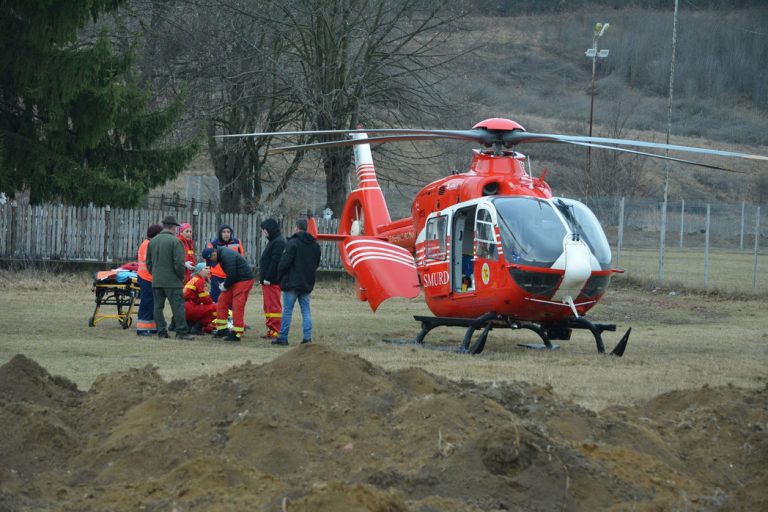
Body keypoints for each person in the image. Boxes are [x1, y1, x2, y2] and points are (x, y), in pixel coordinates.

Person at [273, 218, 321, 346]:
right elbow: (316, 264)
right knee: (306, 311)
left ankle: (283, 337)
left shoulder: (293, 243)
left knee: (288, 310)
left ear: (296, 228)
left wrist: (280, 276)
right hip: (306, 283)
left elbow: (284, 263)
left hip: (291, 283)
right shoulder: (315, 245)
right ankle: (307, 338)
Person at [146, 215, 194, 340]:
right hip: (173, 281)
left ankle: (161, 332)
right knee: (178, 307)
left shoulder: (153, 241)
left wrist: (155, 274)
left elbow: (148, 263)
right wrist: (180, 276)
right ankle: (181, 332)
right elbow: (179, 263)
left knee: (158, 307)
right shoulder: (175, 241)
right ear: (173, 227)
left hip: (157, 280)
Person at [201, 245, 254, 342]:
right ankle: (222, 329)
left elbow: (232, 274)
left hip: (244, 280)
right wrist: (225, 284)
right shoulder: (221, 255)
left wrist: (225, 285)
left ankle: (237, 333)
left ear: (213, 254)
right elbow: (231, 274)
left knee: (237, 305)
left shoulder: (227, 256)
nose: (213, 262)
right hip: (234, 280)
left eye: (212, 260)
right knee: (222, 301)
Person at [259, 218, 286, 340]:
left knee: (273, 306)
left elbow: (275, 261)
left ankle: (276, 330)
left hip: (272, 281)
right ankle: (271, 329)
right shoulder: (273, 241)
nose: (264, 232)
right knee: (268, 306)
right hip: (267, 281)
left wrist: (268, 278)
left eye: (265, 230)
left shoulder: (279, 242)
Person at [136, 223, 163, 336]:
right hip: (146, 278)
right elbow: (149, 261)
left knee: (152, 303)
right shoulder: (148, 245)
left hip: (149, 278)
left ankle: (151, 327)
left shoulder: (148, 243)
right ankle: (142, 329)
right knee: (147, 303)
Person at [206, 224, 245, 302]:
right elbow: (208, 261)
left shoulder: (237, 242)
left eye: (228, 232)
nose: (226, 234)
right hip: (217, 275)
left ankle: (230, 314)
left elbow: (241, 258)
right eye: (224, 232)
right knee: (216, 298)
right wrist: (209, 275)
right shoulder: (213, 244)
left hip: (232, 275)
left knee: (231, 299)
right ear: (220, 233)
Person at [183, 263, 217, 334]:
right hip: (190, 307)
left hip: (184, 307)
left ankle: (190, 325)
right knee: (216, 307)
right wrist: (212, 303)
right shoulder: (200, 281)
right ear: (199, 271)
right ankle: (197, 327)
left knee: (204, 308)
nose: (209, 271)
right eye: (206, 268)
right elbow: (205, 299)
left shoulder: (194, 279)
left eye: (209, 268)